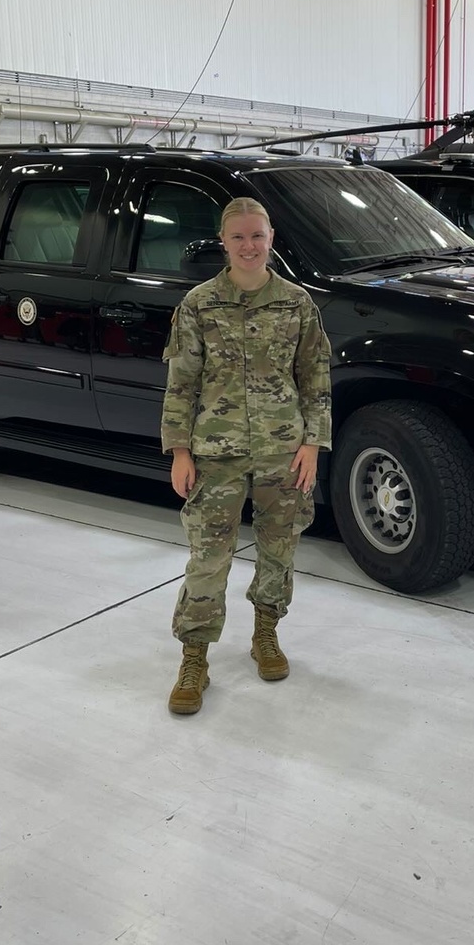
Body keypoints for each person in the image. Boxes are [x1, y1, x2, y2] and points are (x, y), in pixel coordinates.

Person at [160, 196, 332, 716]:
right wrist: (179, 451)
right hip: (216, 451)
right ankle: (195, 658)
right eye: (238, 237)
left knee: (279, 548)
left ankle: (265, 635)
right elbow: (181, 382)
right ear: (224, 242)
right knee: (208, 558)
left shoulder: (298, 304)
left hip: (284, 451)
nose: (249, 245)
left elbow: (315, 380)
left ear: (271, 237)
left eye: (257, 235)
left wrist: (312, 445)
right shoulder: (198, 304)